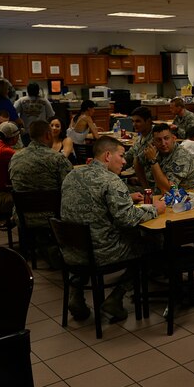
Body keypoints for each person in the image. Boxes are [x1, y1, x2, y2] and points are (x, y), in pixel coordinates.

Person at [61, 136, 164, 322]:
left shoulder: (72, 175)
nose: (125, 162)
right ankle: (116, 298)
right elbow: (128, 219)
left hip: (71, 250)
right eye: (122, 156)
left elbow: (91, 203)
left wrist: (127, 197)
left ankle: (76, 294)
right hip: (102, 252)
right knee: (153, 243)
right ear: (108, 155)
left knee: (92, 234)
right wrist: (155, 210)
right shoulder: (111, 181)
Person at [9, 120, 72, 226]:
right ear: (48, 135)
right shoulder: (57, 159)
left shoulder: (15, 157)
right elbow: (70, 187)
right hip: (52, 217)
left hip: (22, 216)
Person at [134, 123, 194, 192]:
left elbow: (167, 189)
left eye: (166, 138)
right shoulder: (155, 149)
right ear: (153, 142)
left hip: (183, 198)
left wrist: (153, 161)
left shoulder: (182, 156)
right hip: (159, 194)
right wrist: (146, 189)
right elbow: (137, 160)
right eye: (159, 140)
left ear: (173, 138)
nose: (163, 143)